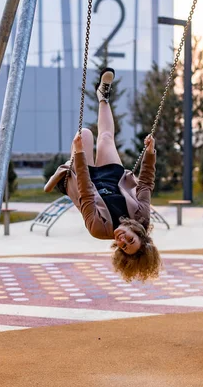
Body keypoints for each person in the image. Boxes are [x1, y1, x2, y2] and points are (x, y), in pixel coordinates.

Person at [44, 68, 161, 282]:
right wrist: (150, 153)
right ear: (140, 236)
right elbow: (145, 185)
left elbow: (86, 192)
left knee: (86, 135)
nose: (122, 240)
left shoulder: (99, 229)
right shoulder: (141, 218)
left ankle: (80, 148)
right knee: (106, 138)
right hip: (112, 179)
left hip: (84, 181)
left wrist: (79, 153)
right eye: (130, 241)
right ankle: (103, 96)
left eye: (122, 247)